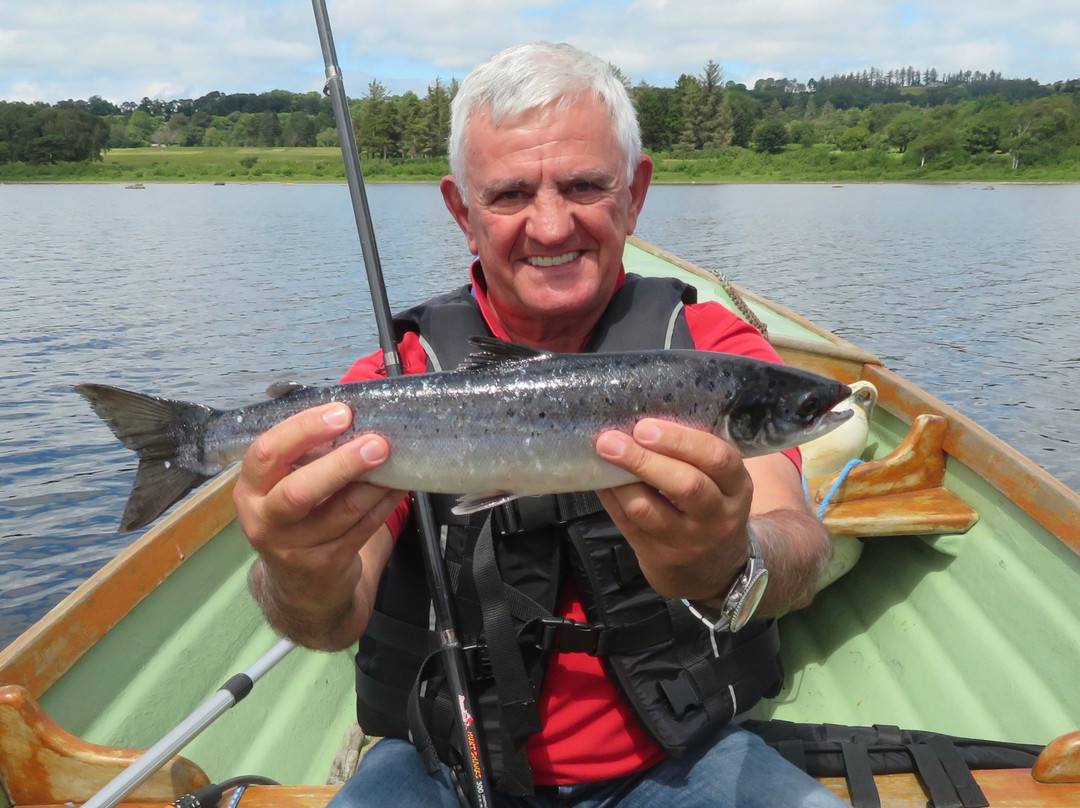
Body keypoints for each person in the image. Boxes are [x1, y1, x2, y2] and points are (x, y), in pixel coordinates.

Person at [235, 42, 848, 808]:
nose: (551, 226)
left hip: (681, 762)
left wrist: (734, 561)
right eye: (511, 194)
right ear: (462, 211)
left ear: (636, 192)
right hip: (441, 770)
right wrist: (297, 571)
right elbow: (327, 620)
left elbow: (799, 542)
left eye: (586, 185)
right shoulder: (396, 383)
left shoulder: (711, 357)